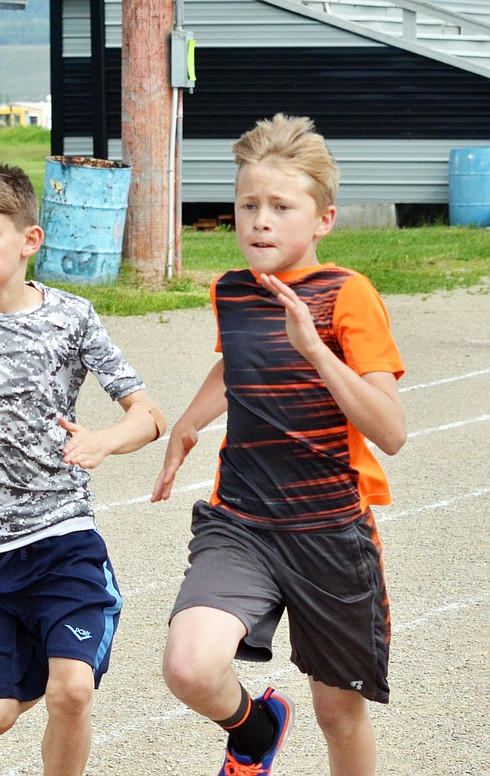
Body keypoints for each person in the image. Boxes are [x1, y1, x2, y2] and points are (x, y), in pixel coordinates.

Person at [151, 114, 407, 776]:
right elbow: (236, 362)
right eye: (248, 205)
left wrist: (315, 350)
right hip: (241, 522)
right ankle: (254, 728)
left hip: (329, 531)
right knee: (188, 665)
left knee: (337, 713)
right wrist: (188, 423)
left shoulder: (348, 295)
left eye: (280, 207)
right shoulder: (233, 291)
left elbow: (391, 430)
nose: (260, 221)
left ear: (322, 219)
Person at [0, 160, 166, 776]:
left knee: (72, 692)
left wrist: (105, 440)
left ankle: (79, 631)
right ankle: (50, 649)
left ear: (29, 241)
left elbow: (148, 415)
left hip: (61, 538)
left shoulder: (71, 318)